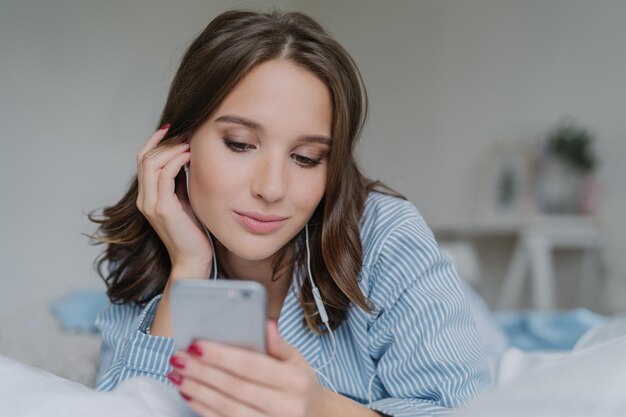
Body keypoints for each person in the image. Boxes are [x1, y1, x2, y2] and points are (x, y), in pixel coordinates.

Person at [90, 9, 491, 417]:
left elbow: (465, 409)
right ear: (180, 143)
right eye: (240, 144)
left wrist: (321, 409)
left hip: (435, 303)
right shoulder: (146, 254)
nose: (272, 188)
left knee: (490, 338)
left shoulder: (388, 238)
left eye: (306, 157)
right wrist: (187, 269)